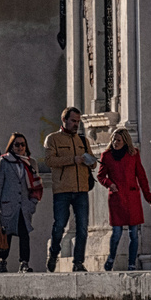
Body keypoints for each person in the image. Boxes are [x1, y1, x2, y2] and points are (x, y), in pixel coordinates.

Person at [43, 106, 98, 271]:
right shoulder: (53, 139)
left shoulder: (83, 140)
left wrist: (90, 160)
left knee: (82, 227)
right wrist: (73, 159)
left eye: (78, 121)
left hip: (81, 189)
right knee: (59, 224)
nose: (76, 124)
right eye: (73, 121)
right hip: (62, 190)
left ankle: (78, 262)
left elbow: (93, 162)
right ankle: (54, 253)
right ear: (64, 120)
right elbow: (50, 161)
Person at [98, 128, 151, 271]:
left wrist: (148, 196)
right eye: (113, 139)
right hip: (116, 198)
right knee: (116, 233)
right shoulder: (106, 156)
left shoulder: (133, 154)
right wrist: (109, 184)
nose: (115, 143)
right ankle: (111, 258)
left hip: (132, 197)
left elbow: (141, 176)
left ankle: (131, 263)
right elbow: (101, 176)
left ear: (125, 141)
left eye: (118, 140)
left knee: (133, 234)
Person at [0, 132, 41, 272]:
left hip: (24, 206)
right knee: (7, 235)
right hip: (8, 205)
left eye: (22, 144)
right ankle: (3, 262)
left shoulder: (30, 163)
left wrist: (32, 204)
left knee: (24, 234)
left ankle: (24, 263)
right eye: (16, 144)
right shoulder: (4, 161)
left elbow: (36, 186)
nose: (20, 147)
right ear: (11, 146)